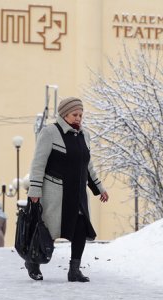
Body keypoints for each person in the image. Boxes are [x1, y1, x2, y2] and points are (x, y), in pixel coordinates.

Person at [26, 97, 109, 282]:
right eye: (75, 114)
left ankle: (74, 270)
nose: (78, 118)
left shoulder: (84, 136)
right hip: (54, 193)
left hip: (77, 193)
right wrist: (35, 190)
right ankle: (33, 262)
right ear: (64, 114)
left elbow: (88, 166)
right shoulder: (49, 133)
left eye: (80, 115)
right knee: (46, 231)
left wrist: (100, 189)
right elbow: (38, 164)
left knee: (80, 228)